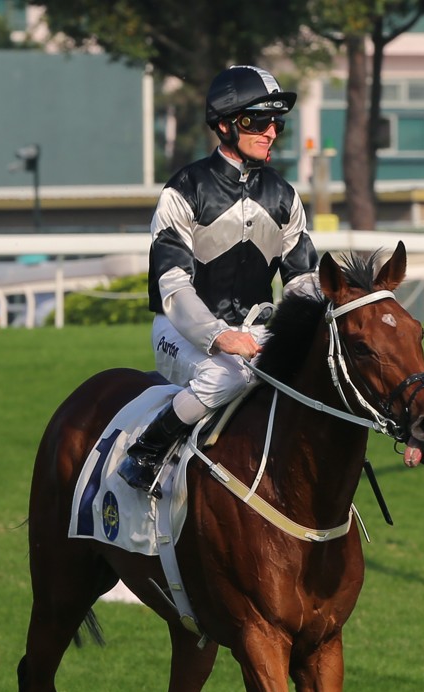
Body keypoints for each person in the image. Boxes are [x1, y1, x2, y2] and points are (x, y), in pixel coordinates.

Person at [117, 64, 321, 494]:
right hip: (182, 331)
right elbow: (172, 285)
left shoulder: (284, 196)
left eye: (276, 123)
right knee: (227, 376)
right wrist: (217, 336)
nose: (270, 132)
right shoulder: (183, 191)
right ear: (225, 125)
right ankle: (147, 451)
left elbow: (302, 281)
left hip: (256, 333)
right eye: (257, 121)